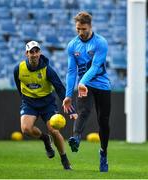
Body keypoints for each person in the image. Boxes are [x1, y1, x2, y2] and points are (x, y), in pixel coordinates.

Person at [14, 40, 77, 170]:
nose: (35, 54)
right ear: (27, 53)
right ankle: (45, 139)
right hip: (29, 103)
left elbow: (60, 88)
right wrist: (24, 100)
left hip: (47, 104)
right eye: (32, 52)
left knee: (54, 130)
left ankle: (64, 159)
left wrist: (71, 110)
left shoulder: (47, 70)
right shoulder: (18, 69)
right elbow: (19, 86)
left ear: (40, 52)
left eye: (37, 51)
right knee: (26, 129)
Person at [63, 12, 111, 172]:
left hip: (102, 85)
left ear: (90, 26)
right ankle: (76, 138)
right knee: (83, 111)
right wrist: (68, 95)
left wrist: (82, 82)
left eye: (83, 29)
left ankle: (103, 153)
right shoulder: (72, 45)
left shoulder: (100, 43)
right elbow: (71, 71)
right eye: (78, 29)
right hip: (85, 87)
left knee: (103, 121)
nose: (80, 32)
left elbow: (96, 66)